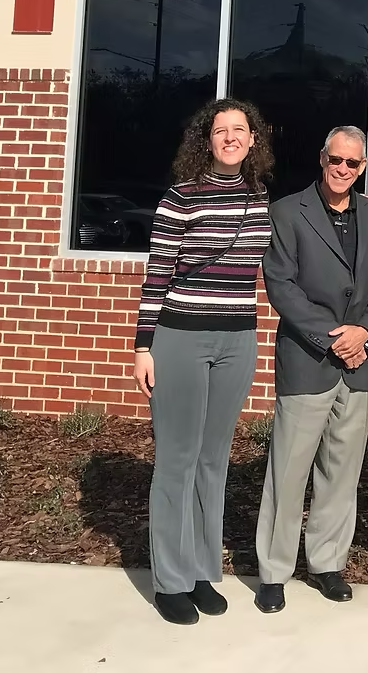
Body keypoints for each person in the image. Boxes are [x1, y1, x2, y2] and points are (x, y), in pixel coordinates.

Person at [132, 98, 274, 626]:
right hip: (180, 338)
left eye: (241, 129)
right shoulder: (180, 198)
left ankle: (199, 571)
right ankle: (169, 580)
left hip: (237, 341)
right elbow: (157, 276)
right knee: (177, 459)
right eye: (221, 130)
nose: (231, 137)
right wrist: (143, 346)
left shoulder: (260, 199)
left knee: (214, 461)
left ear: (254, 139)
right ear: (206, 140)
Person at [253, 125, 368, 614]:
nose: (343, 170)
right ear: (322, 158)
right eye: (336, 160)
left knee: (341, 471)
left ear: (363, 167)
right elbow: (282, 287)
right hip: (308, 359)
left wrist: (365, 332)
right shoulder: (287, 212)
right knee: (289, 472)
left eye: (353, 164)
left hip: (357, 364)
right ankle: (274, 571)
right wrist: (337, 337)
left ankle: (327, 564)